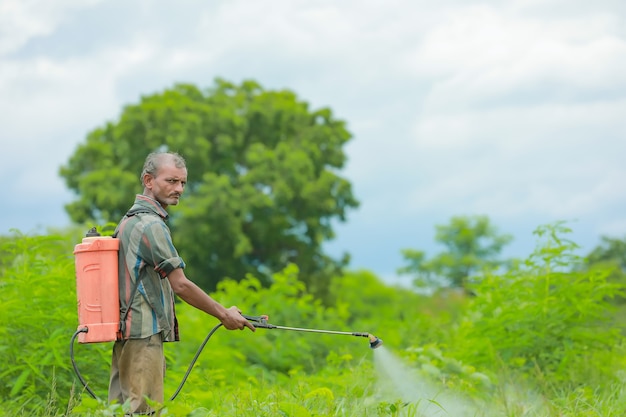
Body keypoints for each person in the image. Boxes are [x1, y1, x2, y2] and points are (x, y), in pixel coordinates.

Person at [108, 151, 255, 414]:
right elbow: (181, 285)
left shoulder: (128, 221)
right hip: (143, 335)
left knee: (119, 411)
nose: (179, 189)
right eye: (171, 181)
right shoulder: (151, 225)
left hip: (127, 334)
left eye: (183, 183)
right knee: (144, 411)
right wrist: (224, 315)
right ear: (148, 180)